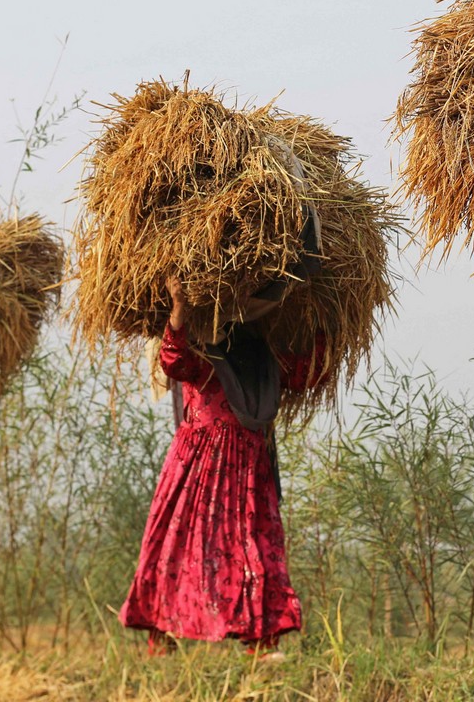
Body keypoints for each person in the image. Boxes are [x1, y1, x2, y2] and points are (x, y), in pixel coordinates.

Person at [119, 278, 326, 658]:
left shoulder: (261, 352)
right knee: (178, 545)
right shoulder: (200, 345)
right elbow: (173, 361)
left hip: (249, 464)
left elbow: (305, 376)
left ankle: (261, 641)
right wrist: (179, 309)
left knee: (254, 547)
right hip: (198, 462)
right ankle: (163, 637)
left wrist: (321, 318)